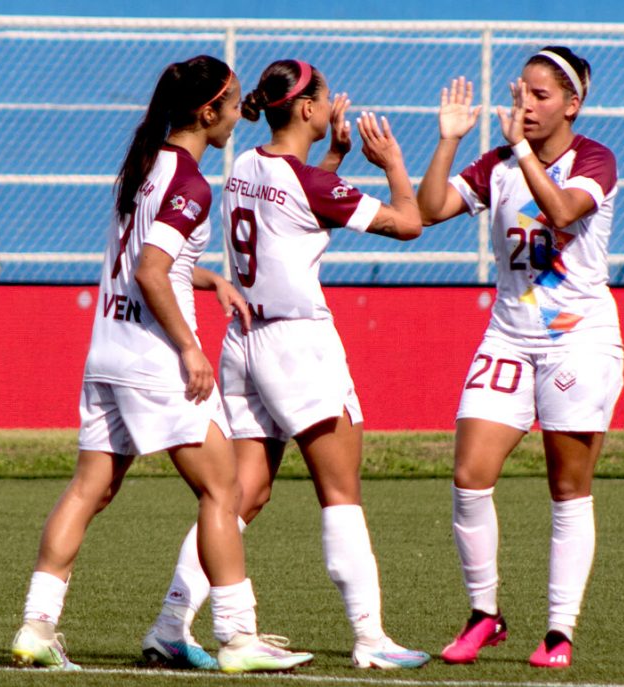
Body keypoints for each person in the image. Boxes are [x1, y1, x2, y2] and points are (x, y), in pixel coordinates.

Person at [9, 54, 313, 674]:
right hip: (154, 358)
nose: (236, 118)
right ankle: (236, 636)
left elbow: (150, 258)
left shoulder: (145, 163)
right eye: (230, 108)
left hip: (107, 351)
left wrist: (205, 277)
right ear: (208, 113)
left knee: (90, 488)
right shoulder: (193, 183)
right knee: (223, 489)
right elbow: (151, 271)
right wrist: (190, 348)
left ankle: (36, 626)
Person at [141, 58, 431, 671]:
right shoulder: (306, 182)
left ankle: (171, 623)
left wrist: (334, 163)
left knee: (244, 493)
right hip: (297, 343)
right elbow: (410, 223)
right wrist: (392, 164)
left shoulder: (246, 162)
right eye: (325, 101)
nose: (331, 111)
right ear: (306, 110)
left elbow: (292, 203)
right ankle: (371, 636)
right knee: (340, 491)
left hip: (244, 341)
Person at [416, 47, 623, 669]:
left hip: (577, 337)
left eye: (540, 96)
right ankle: (485, 615)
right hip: (506, 336)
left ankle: (559, 630)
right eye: (520, 95)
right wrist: (450, 142)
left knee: (567, 488)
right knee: (470, 476)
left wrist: (525, 155)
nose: (525, 107)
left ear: (572, 104)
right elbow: (428, 211)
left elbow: (561, 212)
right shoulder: (499, 161)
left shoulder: (594, 160)